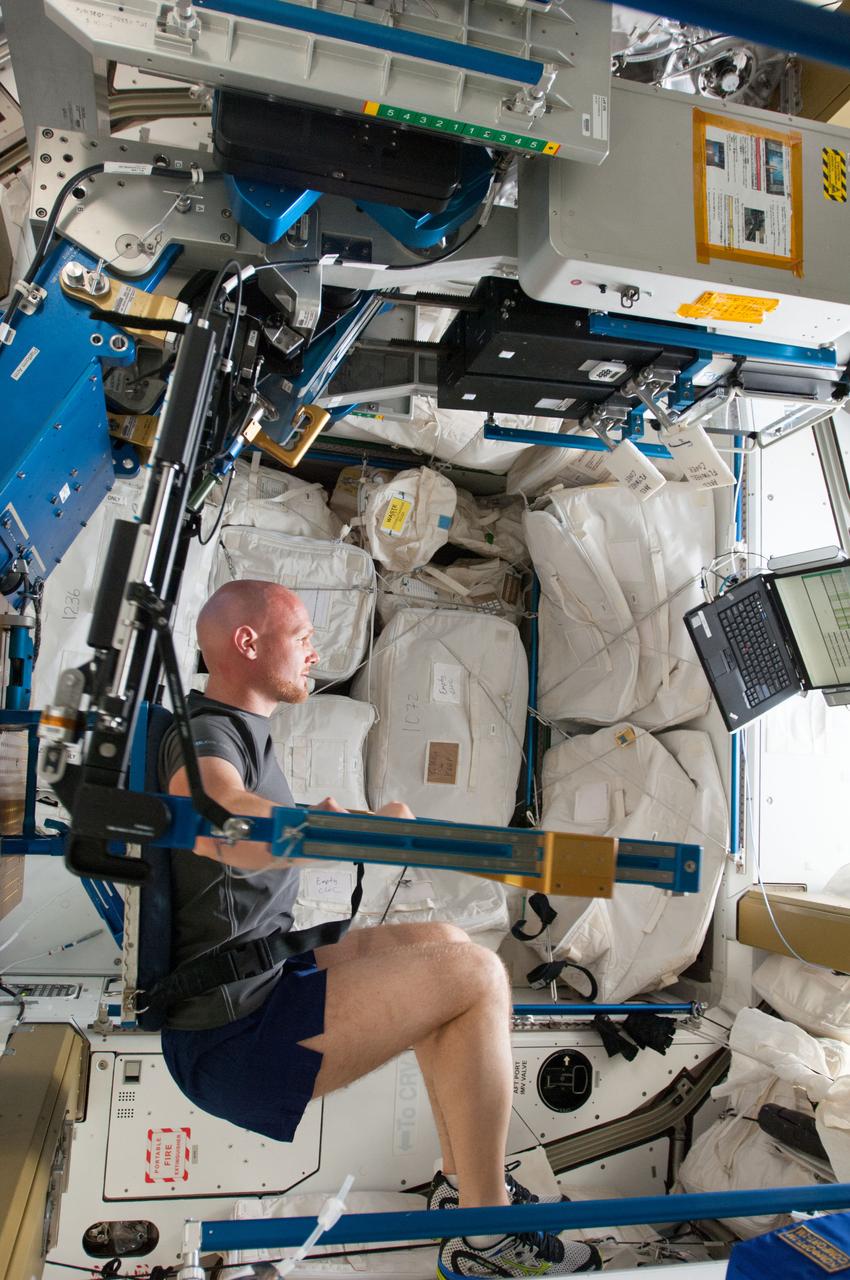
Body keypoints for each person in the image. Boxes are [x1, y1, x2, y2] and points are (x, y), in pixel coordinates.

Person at [159, 579, 601, 1277]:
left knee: (445, 945)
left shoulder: (232, 728)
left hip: (255, 986)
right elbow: (224, 824)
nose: (314, 651)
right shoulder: (207, 732)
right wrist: (337, 828)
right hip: (232, 1034)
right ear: (247, 643)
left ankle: (466, 1187)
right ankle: (488, 1234)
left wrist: (338, 821)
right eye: (301, 637)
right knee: (480, 975)